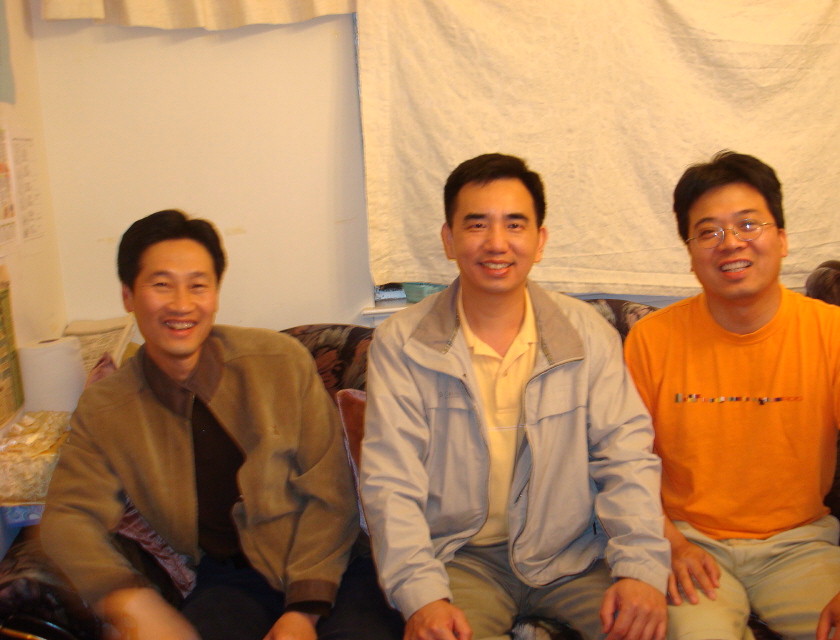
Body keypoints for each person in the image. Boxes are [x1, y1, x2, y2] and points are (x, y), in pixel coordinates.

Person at [360, 153, 670, 640]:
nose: (496, 243)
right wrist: (422, 596)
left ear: (540, 240)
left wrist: (640, 571)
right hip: (459, 561)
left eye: (515, 224)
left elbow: (625, 457)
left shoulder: (587, 335)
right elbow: (390, 483)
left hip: (571, 556)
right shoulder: (403, 343)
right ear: (448, 239)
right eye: (477, 224)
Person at [41, 210, 361, 640]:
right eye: (161, 284)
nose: (181, 304)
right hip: (231, 584)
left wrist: (304, 610)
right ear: (128, 296)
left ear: (215, 293)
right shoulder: (107, 408)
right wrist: (125, 596)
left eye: (198, 285)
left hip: (333, 566)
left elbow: (332, 491)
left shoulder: (280, 362)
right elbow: (68, 516)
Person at [624, 151, 840, 640]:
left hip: (802, 545)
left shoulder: (830, 332)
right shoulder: (651, 339)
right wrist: (671, 543)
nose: (731, 243)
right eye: (709, 232)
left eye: (748, 224)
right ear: (690, 252)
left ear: (782, 238)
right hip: (690, 545)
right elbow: (624, 464)